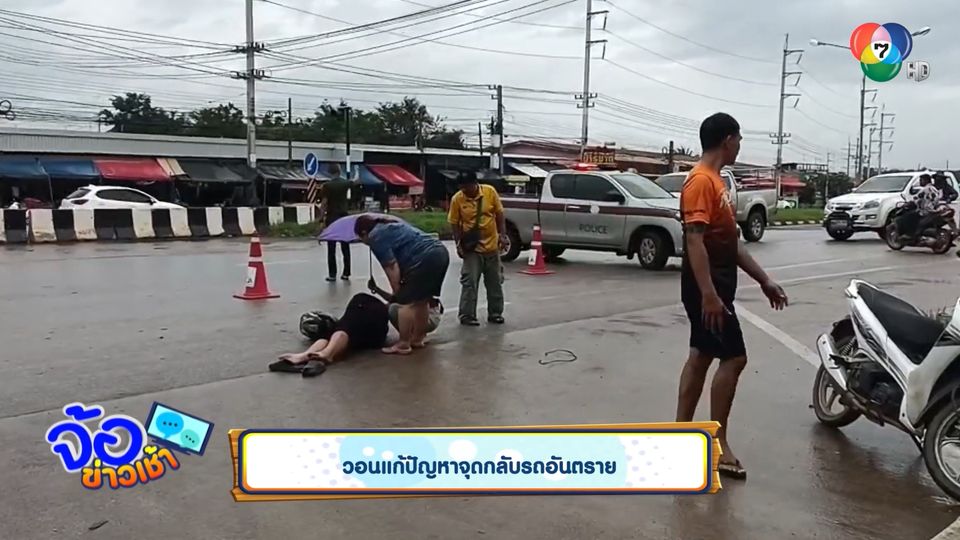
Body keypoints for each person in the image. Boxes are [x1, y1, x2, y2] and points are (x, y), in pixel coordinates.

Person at [675, 112, 789, 480]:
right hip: (706, 287)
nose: (740, 146)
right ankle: (717, 443)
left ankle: (681, 436)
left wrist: (764, 280)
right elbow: (694, 241)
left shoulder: (717, 182)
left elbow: (731, 243)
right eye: (738, 139)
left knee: (701, 354)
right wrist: (709, 295)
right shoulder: (700, 182)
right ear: (727, 140)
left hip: (717, 284)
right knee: (734, 357)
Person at [355, 215, 450, 355]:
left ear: (364, 233)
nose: (363, 243)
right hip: (440, 253)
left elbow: (391, 266)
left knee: (406, 304)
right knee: (422, 301)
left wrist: (398, 292)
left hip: (422, 259)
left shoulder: (375, 237)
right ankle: (418, 338)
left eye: (361, 239)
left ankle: (404, 343)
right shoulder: (390, 226)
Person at [271, 292, 389, 378]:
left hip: (373, 321)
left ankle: (318, 354)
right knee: (343, 328)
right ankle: (315, 354)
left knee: (343, 328)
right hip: (374, 320)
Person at [447, 173, 507, 326]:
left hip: (492, 246)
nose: (464, 191)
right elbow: (454, 223)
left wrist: (502, 235)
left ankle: (495, 313)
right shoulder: (457, 199)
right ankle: (467, 315)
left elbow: (499, 214)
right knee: (470, 282)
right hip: (472, 248)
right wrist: (458, 244)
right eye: (462, 188)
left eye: (466, 187)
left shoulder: (489, 192)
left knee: (494, 282)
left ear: (474, 184)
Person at [320, 164, 360, 282]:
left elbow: (324, 203)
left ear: (329, 172)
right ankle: (346, 273)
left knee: (331, 248)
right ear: (339, 171)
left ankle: (332, 274)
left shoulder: (327, 186)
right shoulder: (345, 183)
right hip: (344, 218)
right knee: (345, 246)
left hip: (331, 218)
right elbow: (356, 180)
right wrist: (356, 170)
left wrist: (321, 218)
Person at [368, 278, 444, 335]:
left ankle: (408, 336)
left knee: (393, 309)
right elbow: (395, 299)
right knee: (392, 307)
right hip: (429, 316)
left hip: (430, 318)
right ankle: (416, 334)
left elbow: (397, 300)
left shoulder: (415, 281)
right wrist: (376, 289)